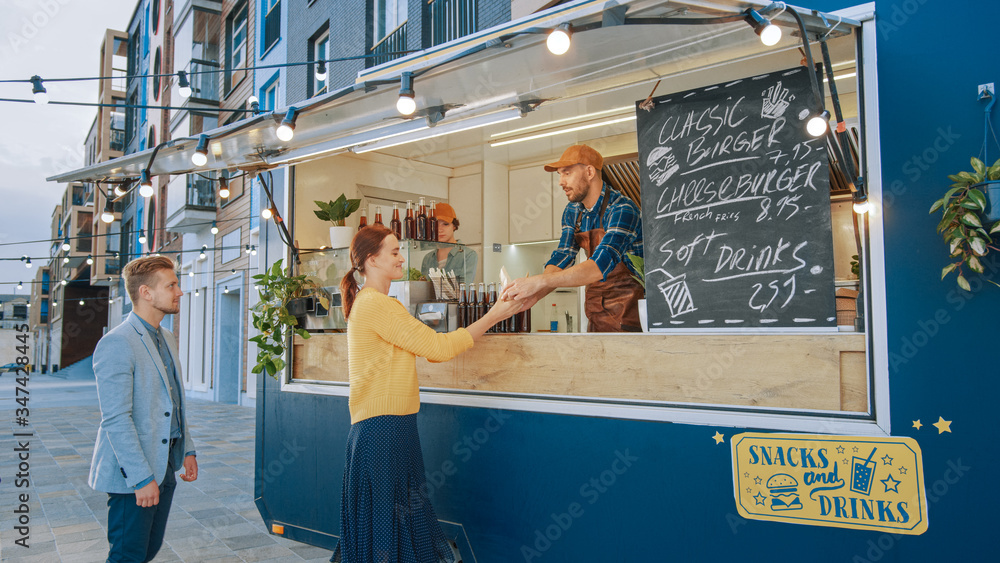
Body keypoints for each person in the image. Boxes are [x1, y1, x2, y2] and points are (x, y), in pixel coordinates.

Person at [332, 225, 518, 563]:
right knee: (395, 524)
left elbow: (433, 347)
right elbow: (438, 347)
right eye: (393, 252)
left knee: (387, 525)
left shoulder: (372, 303)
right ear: (372, 260)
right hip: (384, 430)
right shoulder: (377, 305)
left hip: (383, 427)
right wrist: (495, 314)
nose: (402, 258)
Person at [88, 256, 198, 562]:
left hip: (165, 464)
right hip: (134, 474)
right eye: (172, 285)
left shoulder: (167, 338)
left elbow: (176, 401)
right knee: (128, 555)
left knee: (148, 550)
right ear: (146, 293)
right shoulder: (117, 343)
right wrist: (140, 478)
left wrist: (187, 450)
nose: (180, 291)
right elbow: (116, 419)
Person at [502, 144, 645, 332]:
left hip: (632, 316)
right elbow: (563, 257)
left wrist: (539, 282)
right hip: (595, 313)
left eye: (567, 173)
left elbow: (598, 267)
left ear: (590, 172)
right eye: (560, 174)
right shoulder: (573, 211)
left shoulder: (621, 209)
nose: (561, 182)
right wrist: (535, 295)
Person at [419, 202, 478, 284]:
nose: (440, 229)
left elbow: (465, 290)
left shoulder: (468, 255)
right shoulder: (427, 258)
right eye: (435, 225)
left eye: (445, 224)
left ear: (454, 226)